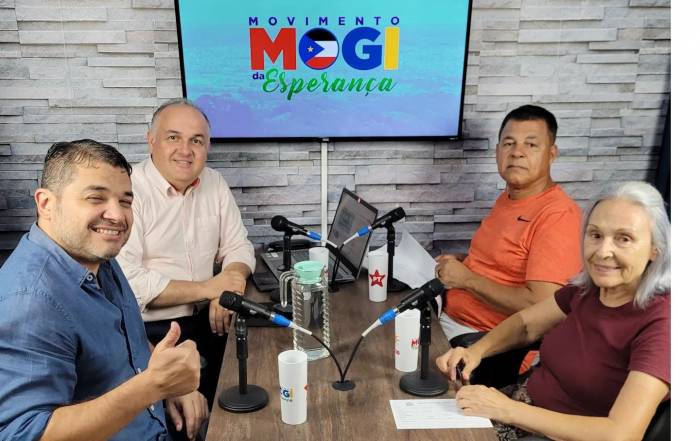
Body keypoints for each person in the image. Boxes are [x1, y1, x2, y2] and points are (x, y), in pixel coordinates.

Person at [0, 139, 207, 441]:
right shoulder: (29, 301)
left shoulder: (96, 254)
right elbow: (26, 433)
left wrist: (170, 381)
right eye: (96, 198)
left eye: (125, 201)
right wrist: (154, 386)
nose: (118, 216)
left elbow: (126, 342)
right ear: (46, 204)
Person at [436, 181, 670, 441]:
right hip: (523, 404)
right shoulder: (588, 289)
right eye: (595, 235)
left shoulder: (664, 323)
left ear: (655, 249)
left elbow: (621, 433)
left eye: (623, 239)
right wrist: (475, 351)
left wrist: (507, 410)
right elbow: (527, 325)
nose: (603, 252)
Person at [116, 99, 256, 406]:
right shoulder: (128, 191)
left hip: (210, 322)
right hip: (150, 332)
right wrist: (210, 288)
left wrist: (228, 286)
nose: (185, 150)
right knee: (190, 418)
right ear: (151, 140)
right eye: (173, 137)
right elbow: (129, 283)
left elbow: (239, 246)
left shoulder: (214, 182)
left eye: (197, 141)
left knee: (257, 377)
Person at [434, 104, 582, 387]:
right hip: (450, 317)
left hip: (482, 344)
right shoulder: (510, 197)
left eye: (531, 144)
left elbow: (541, 306)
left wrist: (467, 279)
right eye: (509, 143)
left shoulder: (558, 216)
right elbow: (506, 262)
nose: (517, 152)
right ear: (498, 151)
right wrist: (466, 261)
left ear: (552, 154)